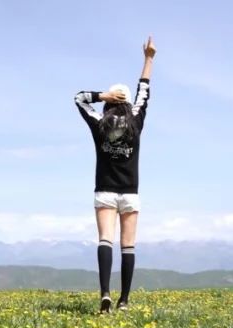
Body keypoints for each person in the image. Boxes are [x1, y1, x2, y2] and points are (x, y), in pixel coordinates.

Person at [74, 35, 156, 313]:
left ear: (110, 101)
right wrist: (148, 59)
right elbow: (144, 90)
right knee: (128, 246)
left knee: (105, 240)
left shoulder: (99, 122)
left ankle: (105, 294)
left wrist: (101, 96)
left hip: (105, 191)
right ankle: (124, 301)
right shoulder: (135, 121)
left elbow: (79, 99)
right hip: (130, 193)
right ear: (127, 102)